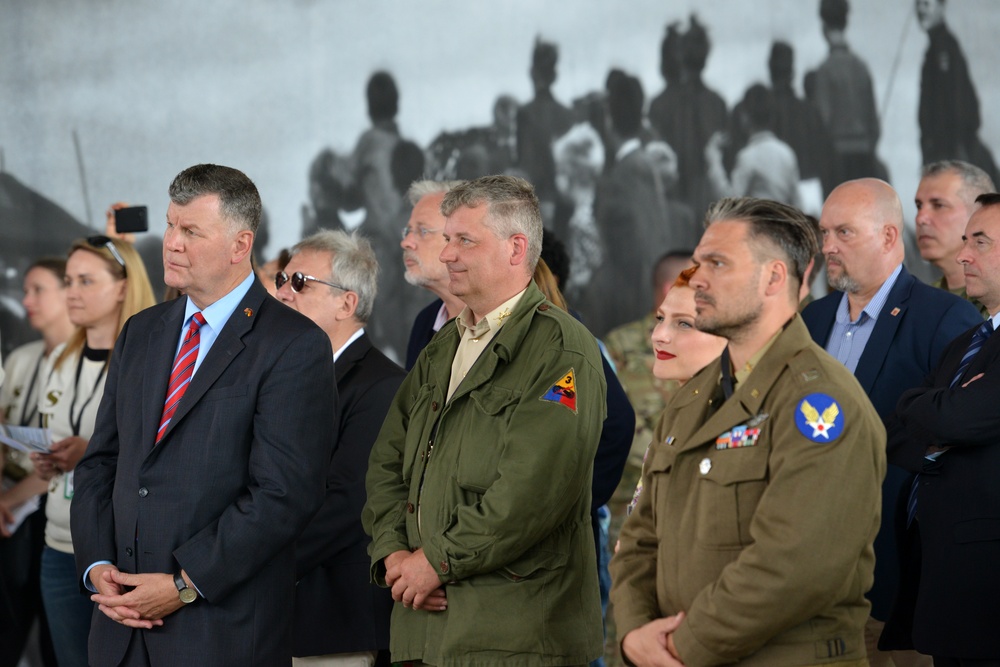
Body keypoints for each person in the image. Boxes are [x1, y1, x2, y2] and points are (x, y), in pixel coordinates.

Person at [70, 164, 337, 667]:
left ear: (240, 245)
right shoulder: (141, 332)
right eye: (171, 225)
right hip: (119, 630)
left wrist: (183, 584)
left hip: (220, 636)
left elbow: (283, 495)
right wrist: (98, 563)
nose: (172, 242)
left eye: (191, 231)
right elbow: (100, 463)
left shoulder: (294, 345)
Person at [611, 196, 885, 666]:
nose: (696, 278)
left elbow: (793, 566)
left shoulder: (819, 403)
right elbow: (639, 540)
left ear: (774, 278)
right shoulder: (693, 399)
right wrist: (636, 635)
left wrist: (676, 648)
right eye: (698, 263)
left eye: (717, 263)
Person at [363, 175, 607, 665]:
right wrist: (395, 557)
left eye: (464, 240)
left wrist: (434, 562)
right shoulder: (444, 346)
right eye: (446, 239)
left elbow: (533, 489)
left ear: (517, 248)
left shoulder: (561, 348)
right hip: (424, 631)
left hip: (515, 637)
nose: (448, 254)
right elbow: (386, 460)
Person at [802, 178, 981, 667]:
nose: (829, 246)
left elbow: (961, 446)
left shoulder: (946, 318)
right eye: (825, 232)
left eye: (844, 232)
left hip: (900, 585)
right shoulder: (808, 322)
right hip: (811, 581)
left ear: (886, 237)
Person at [276, 230, 403, 667]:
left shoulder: (381, 385)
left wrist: (251, 569)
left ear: (347, 304)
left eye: (300, 283)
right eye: (281, 279)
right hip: (270, 614)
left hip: (331, 619)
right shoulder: (281, 375)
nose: (283, 293)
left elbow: (350, 501)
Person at [883, 192, 1000, 664]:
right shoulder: (967, 343)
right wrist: (934, 412)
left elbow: (958, 418)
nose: (963, 254)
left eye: (981, 242)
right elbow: (898, 430)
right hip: (947, 587)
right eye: (965, 240)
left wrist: (931, 409)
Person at [29, 238, 156, 667]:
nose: (72, 293)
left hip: (117, 555)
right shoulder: (61, 357)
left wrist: (89, 453)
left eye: (86, 281)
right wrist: (46, 458)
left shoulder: (150, 357)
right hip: (58, 544)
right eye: (67, 281)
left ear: (123, 286)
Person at [0, 257, 74, 667]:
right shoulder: (21, 359)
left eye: (38, 290)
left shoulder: (90, 361)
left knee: (56, 643)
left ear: (69, 293)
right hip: (11, 515)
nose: (26, 300)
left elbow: (70, 455)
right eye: (24, 290)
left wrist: (8, 502)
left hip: (56, 516)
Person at [603, 251, 692, 546]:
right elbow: (613, 422)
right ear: (673, 288)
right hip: (630, 508)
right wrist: (671, 463)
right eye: (699, 284)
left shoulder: (708, 343)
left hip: (691, 502)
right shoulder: (620, 346)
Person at [916, 0, 999, 186]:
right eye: (918, 3)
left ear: (941, 7)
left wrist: (954, 153)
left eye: (927, 4)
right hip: (945, 154)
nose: (920, 9)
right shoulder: (936, 48)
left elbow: (959, 103)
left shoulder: (944, 48)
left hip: (951, 154)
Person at [810, 0, 881, 184]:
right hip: (865, 157)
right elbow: (874, 123)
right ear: (846, 23)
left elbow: (823, 122)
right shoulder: (862, 68)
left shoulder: (825, 71)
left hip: (838, 161)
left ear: (823, 28)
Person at [401, 179, 466, 370]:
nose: (406, 242)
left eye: (422, 231)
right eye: (408, 231)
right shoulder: (425, 321)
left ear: (461, 239)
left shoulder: (510, 320)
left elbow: (558, 398)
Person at [915, 160, 995, 316]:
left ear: (977, 214)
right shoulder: (920, 302)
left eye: (938, 205)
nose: (920, 218)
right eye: (919, 206)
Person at [705, 83, 802, 207]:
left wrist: (714, 161)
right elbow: (798, 202)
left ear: (745, 118)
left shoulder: (747, 157)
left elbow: (730, 206)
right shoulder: (787, 153)